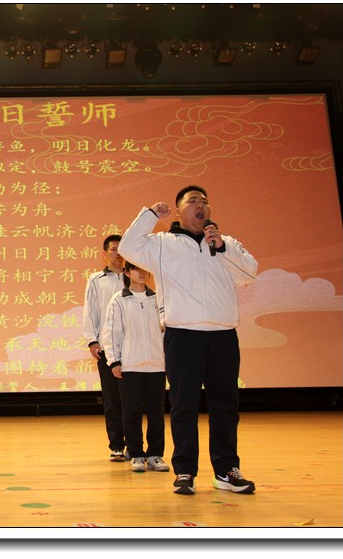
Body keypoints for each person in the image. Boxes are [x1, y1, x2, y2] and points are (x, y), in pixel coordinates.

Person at [118, 185, 258, 495]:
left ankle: (226, 470)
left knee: (225, 405)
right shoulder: (162, 244)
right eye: (192, 201)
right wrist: (150, 216)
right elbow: (128, 247)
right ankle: (185, 471)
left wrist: (222, 247)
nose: (200, 205)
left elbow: (249, 274)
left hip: (223, 334)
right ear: (180, 211)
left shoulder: (225, 243)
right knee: (184, 405)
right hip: (183, 335)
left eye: (204, 202)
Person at [100, 261, 169, 474]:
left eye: (144, 269)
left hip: (157, 365)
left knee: (156, 413)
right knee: (131, 412)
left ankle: (155, 454)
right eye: (136, 269)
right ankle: (136, 453)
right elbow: (112, 332)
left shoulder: (158, 298)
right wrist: (114, 361)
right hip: (131, 365)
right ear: (127, 273)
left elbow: (167, 330)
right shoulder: (119, 300)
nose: (142, 273)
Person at [81, 234, 127, 462]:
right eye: (113, 249)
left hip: (133, 346)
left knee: (134, 399)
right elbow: (90, 310)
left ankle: (135, 446)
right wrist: (92, 340)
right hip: (107, 347)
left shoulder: (135, 277)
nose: (118, 253)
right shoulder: (96, 279)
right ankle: (117, 445)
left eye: (121, 249)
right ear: (105, 253)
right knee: (112, 399)